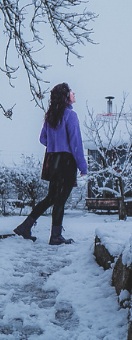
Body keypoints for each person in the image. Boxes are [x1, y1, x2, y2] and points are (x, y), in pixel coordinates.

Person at [13, 83, 87, 245]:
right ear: (66, 97)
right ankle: (55, 236)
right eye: (70, 91)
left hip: (53, 161)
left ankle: (25, 227)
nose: (74, 93)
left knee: (51, 198)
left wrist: (56, 142)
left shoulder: (51, 116)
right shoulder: (70, 116)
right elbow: (76, 143)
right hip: (66, 161)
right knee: (60, 200)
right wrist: (82, 165)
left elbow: (43, 139)